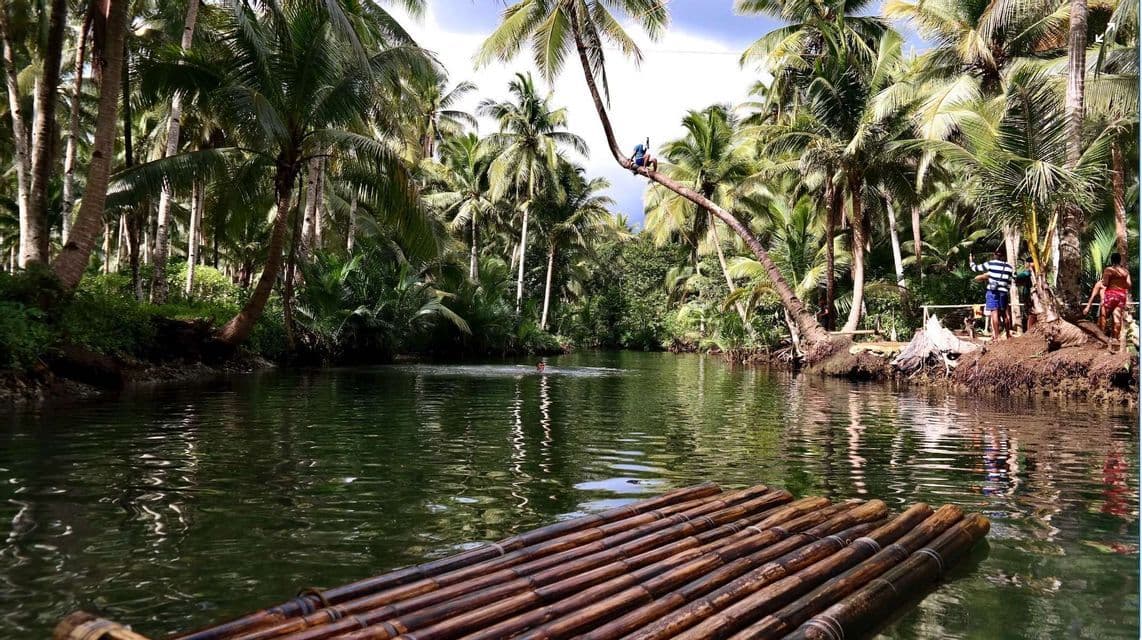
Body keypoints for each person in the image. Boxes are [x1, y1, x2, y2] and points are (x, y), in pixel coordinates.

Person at [969, 246, 1014, 340]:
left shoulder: (991, 264)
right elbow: (1011, 280)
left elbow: (975, 268)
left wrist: (971, 261)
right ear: (1004, 256)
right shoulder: (1009, 267)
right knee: (1005, 314)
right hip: (1004, 292)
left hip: (993, 292)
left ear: (995, 255)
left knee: (994, 313)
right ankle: (1008, 334)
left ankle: (996, 336)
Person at [1094, 253, 1133, 351]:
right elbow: (1129, 285)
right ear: (1120, 260)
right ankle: (1115, 339)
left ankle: (1101, 339)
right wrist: (1120, 285)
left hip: (1111, 294)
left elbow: (1105, 283)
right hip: (1121, 295)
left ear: (1112, 260)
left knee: (1103, 316)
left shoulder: (1109, 270)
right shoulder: (1125, 271)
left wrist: (1103, 284)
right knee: (1117, 317)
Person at [1014, 256, 1038, 332]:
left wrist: (1015, 276)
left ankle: (1030, 330)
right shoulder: (1034, 272)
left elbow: (1018, 278)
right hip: (1031, 296)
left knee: (1032, 314)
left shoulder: (1028, 272)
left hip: (1031, 296)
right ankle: (1031, 331)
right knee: (1032, 314)